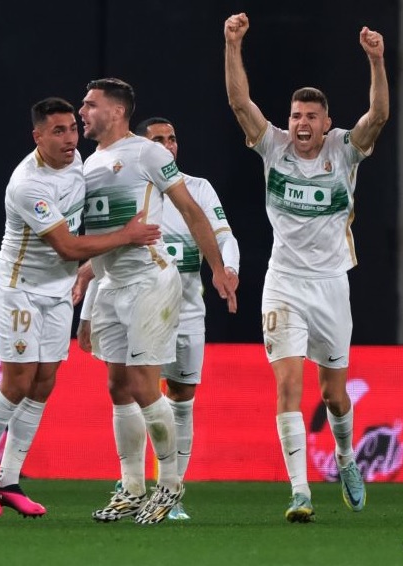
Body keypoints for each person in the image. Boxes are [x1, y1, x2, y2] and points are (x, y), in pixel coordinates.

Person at [0, 97, 161, 518]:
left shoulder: (76, 162)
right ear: (38, 137)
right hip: (17, 288)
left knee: (45, 380)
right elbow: (68, 247)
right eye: (58, 131)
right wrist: (127, 235)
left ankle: (9, 479)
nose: (70, 138)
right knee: (18, 380)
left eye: (72, 128)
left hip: (56, 290)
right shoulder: (28, 184)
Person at [224, 13, 389, 523]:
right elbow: (238, 102)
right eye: (295, 115)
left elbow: (378, 116)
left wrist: (376, 60)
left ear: (325, 121)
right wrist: (232, 44)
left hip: (331, 286)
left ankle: (344, 458)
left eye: (310, 117)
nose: (300, 124)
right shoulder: (273, 147)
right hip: (284, 285)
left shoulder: (344, 150)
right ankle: (299, 492)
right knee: (288, 386)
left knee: (334, 394)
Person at [78, 78, 237, 525]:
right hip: (111, 286)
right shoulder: (93, 162)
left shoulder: (148, 154)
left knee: (147, 387)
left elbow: (191, 210)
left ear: (116, 111)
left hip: (151, 281)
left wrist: (218, 268)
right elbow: (97, 241)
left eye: (90, 104)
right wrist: (87, 298)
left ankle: (169, 485)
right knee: (117, 388)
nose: (82, 111)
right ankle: (131, 486)